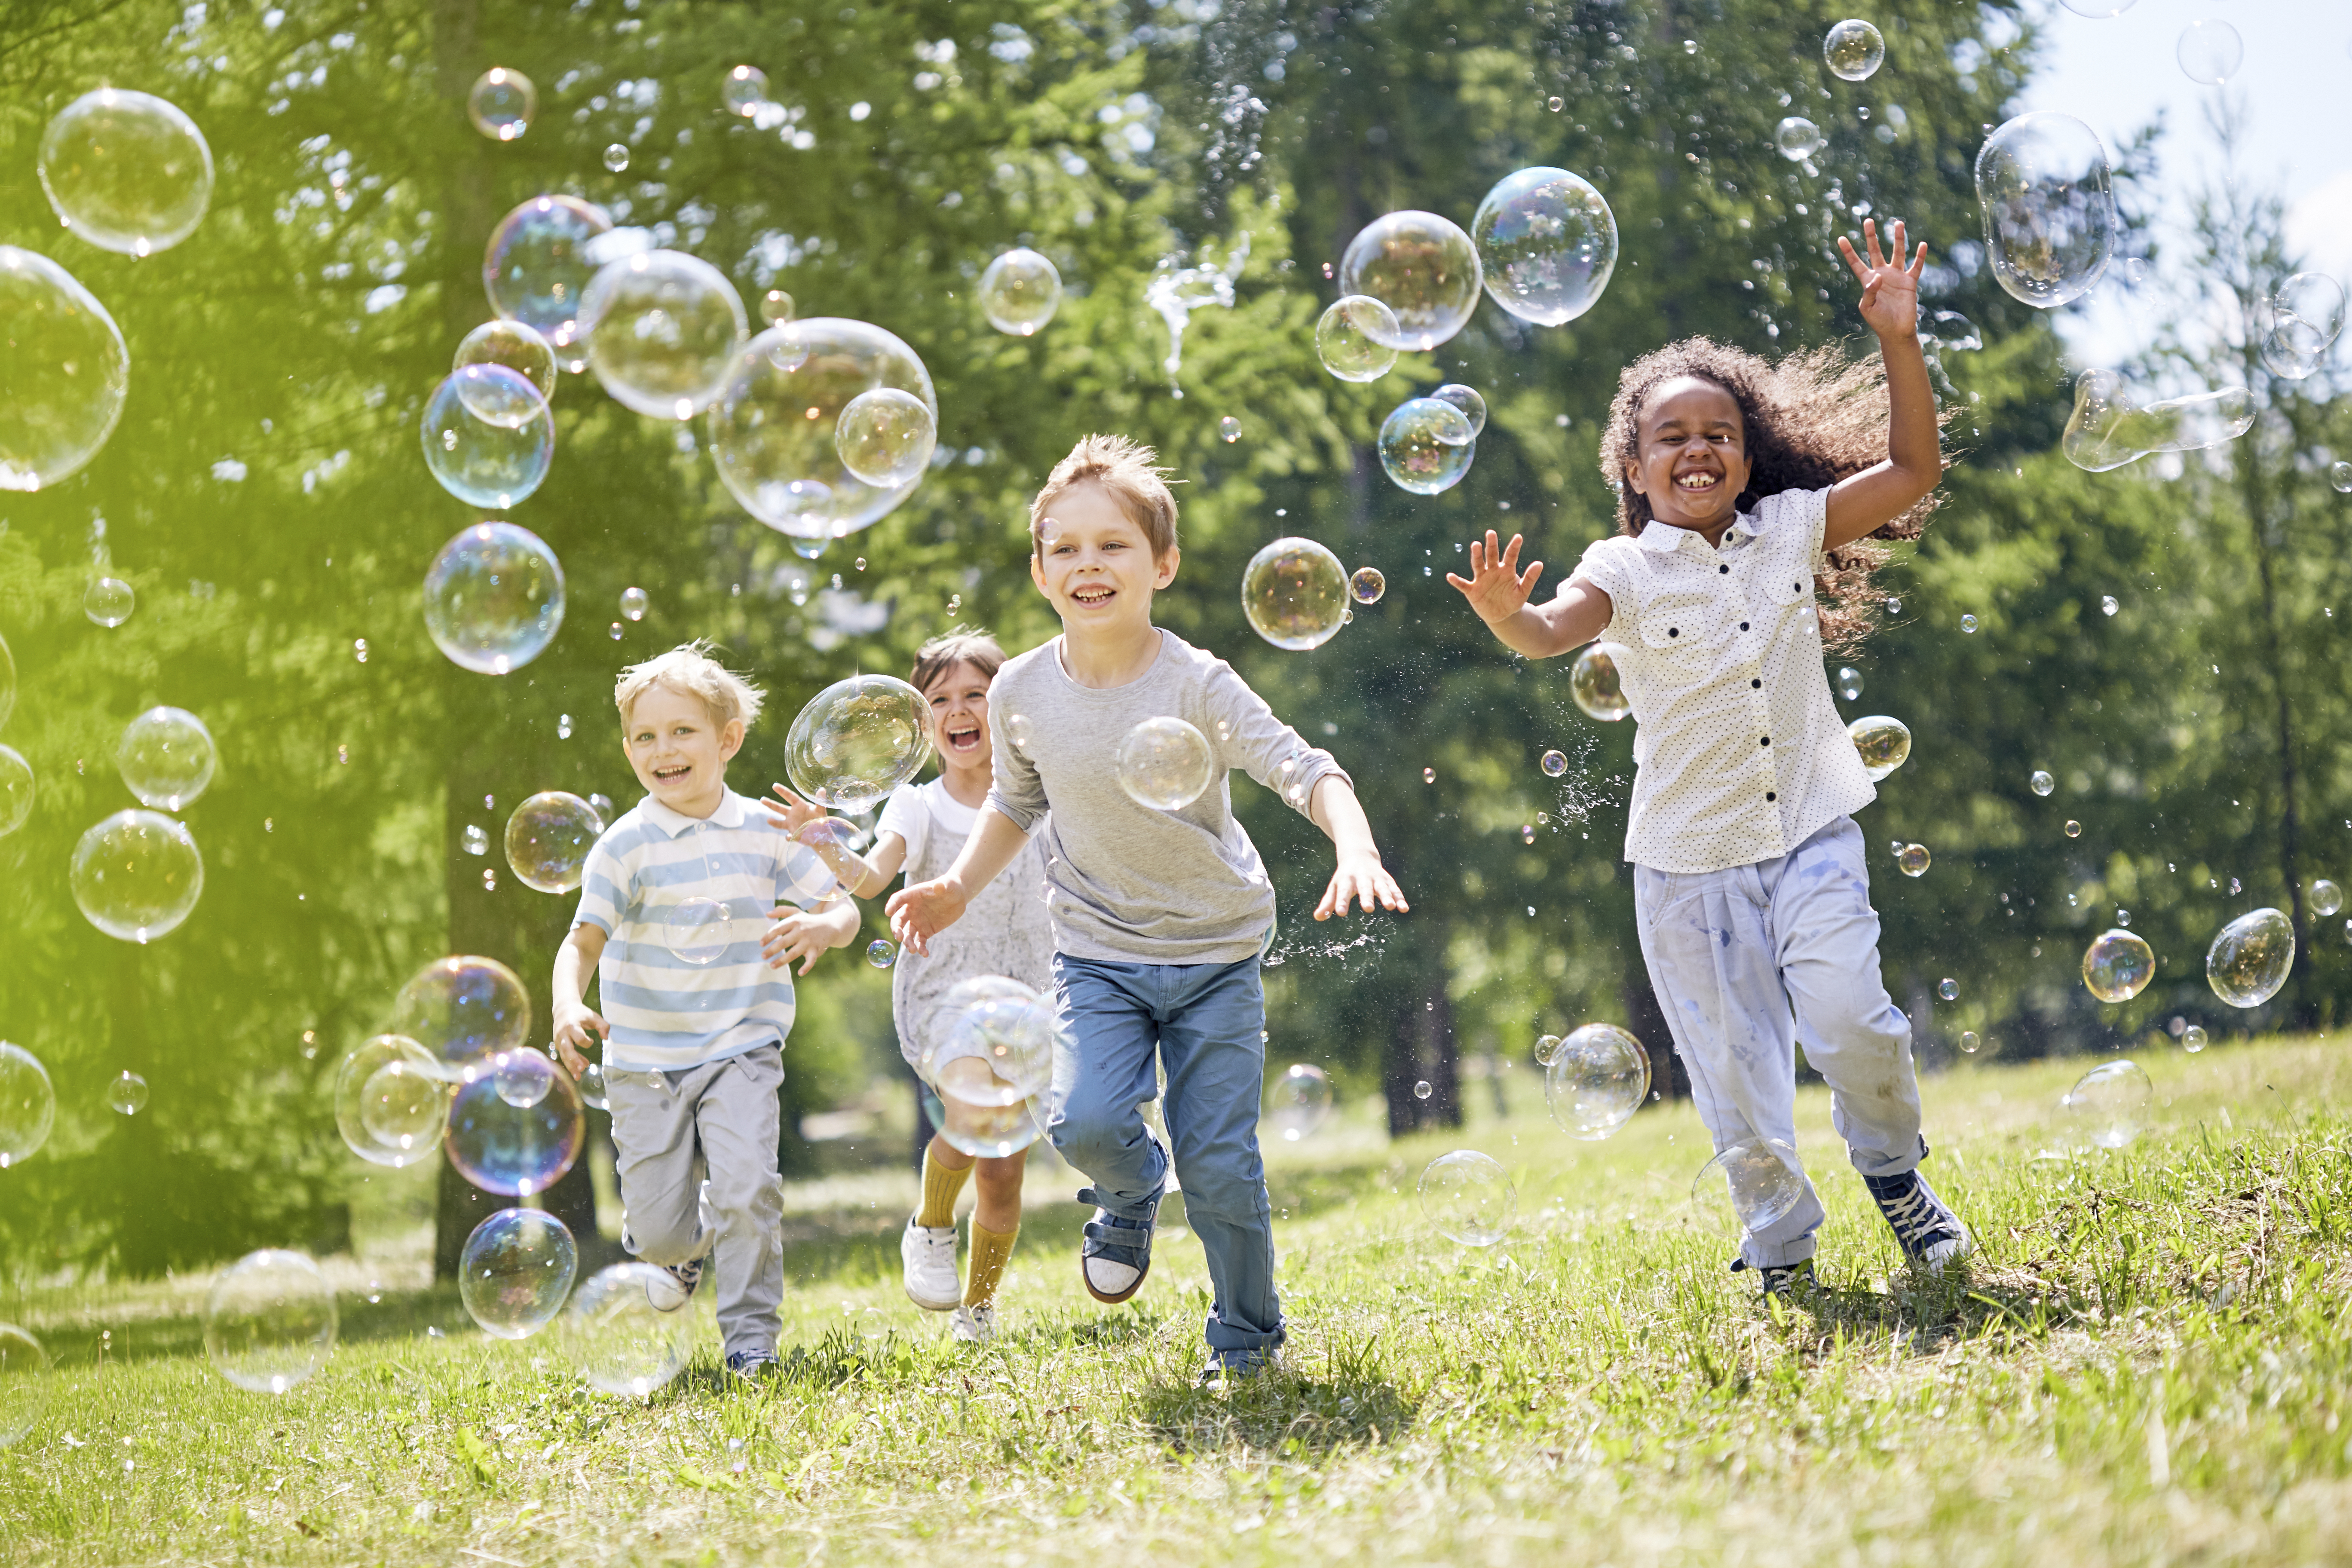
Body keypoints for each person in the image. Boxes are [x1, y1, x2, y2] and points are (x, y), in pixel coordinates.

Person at [1448, 219, 1964, 1298]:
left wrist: (1898, 341)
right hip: (1688, 866)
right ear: (1633, 466)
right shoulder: (1623, 568)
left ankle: (1897, 1178)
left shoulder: (1790, 527)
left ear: (1748, 451)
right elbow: (1552, 631)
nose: (1696, 448)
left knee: (1856, 1022)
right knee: (1737, 1085)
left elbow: (1915, 469)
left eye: (1719, 432)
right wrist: (1508, 614)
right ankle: (1780, 1255)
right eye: (1670, 435)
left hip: (1812, 828)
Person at [887, 435, 1408, 1384]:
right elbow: (1015, 802)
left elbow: (1304, 768)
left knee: (1220, 1168)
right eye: (1066, 548)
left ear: (1161, 564)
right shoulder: (1020, 691)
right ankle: (1128, 1195)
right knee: (1081, 1122)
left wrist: (1356, 845)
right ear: (1041, 572)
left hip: (1215, 951)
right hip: (1095, 953)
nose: (1090, 564)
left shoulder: (1197, 681)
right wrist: (956, 886)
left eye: (1114, 545)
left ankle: (1248, 1343)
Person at [551, 641, 861, 1375]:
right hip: (644, 1062)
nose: (663, 750)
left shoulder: (766, 829)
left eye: (682, 731)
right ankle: (680, 1257)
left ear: (727, 740)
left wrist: (825, 925)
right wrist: (568, 1003)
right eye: (645, 737)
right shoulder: (624, 847)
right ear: (628, 749)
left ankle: (751, 1343)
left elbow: (841, 904)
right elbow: (581, 940)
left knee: (749, 1189)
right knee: (659, 1232)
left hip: (741, 1047)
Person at [762, 629, 1054, 1345]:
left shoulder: (1045, 792)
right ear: (924, 724)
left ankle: (978, 1308)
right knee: (971, 1115)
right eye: (941, 701)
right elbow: (870, 879)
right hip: (946, 991)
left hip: (1034, 994)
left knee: (1004, 1176)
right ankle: (929, 1225)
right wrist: (824, 841)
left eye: (975, 696)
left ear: (1006, 705)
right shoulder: (916, 808)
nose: (959, 712)